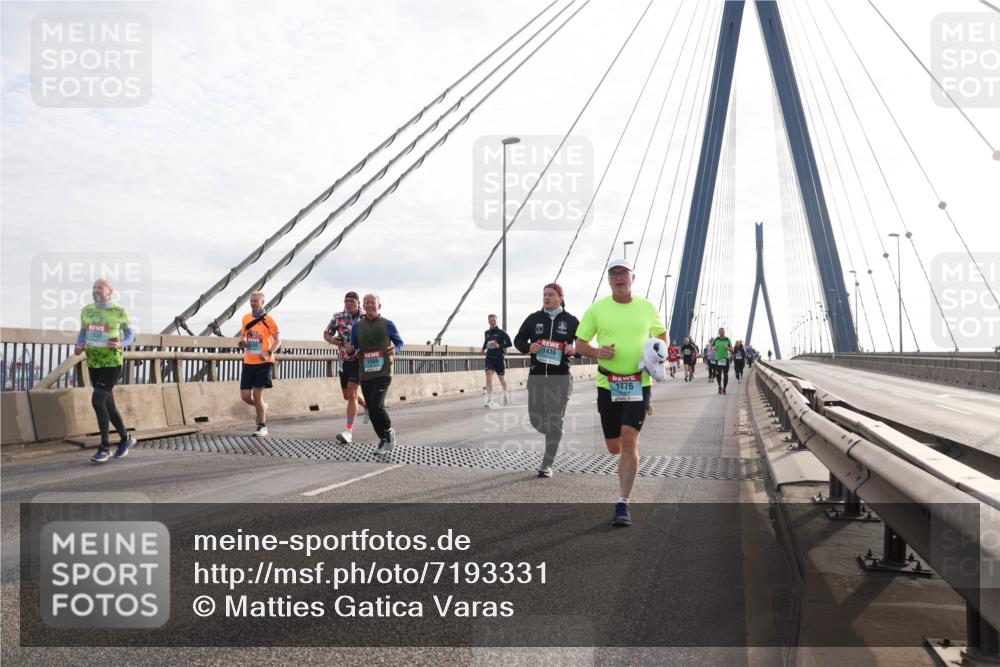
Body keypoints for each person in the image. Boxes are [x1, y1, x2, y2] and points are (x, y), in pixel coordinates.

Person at [575, 258, 667, 527]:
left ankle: (623, 503)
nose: (619, 278)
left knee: (629, 439)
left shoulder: (647, 307)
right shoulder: (597, 309)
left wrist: (658, 351)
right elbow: (580, 345)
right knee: (615, 447)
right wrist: (597, 352)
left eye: (623, 273)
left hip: (639, 382)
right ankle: (628, 451)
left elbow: (662, 335)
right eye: (614, 274)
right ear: (609, 280)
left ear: (632, 278)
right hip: (608, 384)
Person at [513, 283, 578, 478]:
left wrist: (575, 350)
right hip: (537, 377)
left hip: (561, 378)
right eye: (544, 295)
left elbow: (583, 344)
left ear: (561, 298)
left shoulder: (571, 320)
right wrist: (528, 347)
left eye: (550, 294)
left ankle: (547, 464)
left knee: (554, 419)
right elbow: (518, 340)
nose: (546, 298)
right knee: (535, 419)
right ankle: (555, 433)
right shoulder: (534, 319)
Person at [75, 279, 137, 463]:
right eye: (94, 287)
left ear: (110, 292)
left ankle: (104, 447)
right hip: (94, 362)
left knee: (97, 400)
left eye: (100, 288)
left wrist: (121, 343)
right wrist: (79, 344)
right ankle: (126, 440)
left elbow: (131, 335)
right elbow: (83, 332)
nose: (95, 290)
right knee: (108, 405)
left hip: (111, 362)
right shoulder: (87, 310)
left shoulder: (119, 311)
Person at [348, 294, 404, 455]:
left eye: (373, 303)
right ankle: (383, 438)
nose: (370, 305)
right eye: (367, 303)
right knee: (371, 410)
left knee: (376, 405)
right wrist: (351, 349)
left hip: (384, 372)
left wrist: (396, 349)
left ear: (379, 306)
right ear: (363, 306)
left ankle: (388, 431)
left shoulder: (388, 324)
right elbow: (354, 346)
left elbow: (400, 343)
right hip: (365, 372)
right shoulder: (357, 327)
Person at [324, 291, 369, 444]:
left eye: (351, 301)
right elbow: (326, 334)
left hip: (359, 360)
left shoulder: (365, 317)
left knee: (352, 395)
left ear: (358, 303)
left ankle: (348, 431)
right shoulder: (338, 317)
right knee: (347, 395)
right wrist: (333, 340)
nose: (348, 304)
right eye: (346, 301)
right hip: (343, 361)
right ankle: (366, 405)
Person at [239, 292, 281, 437]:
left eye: (256, 301)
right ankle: (262, 406)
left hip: (265, 362)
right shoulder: (246, 318)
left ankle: (262, 426)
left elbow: (278, 341)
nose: (252, 303)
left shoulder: (269, 320)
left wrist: (268, 353)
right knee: (245, 396)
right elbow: (243, 336)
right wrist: (242, 342)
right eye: (251, 301)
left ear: (262, 302)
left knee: (257, 394)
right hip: (249, 361)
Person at [482, 314, 513, 408]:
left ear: (496, 321)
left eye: (494, 320)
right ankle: (490, 399)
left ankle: (505, 393)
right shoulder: (486, 332)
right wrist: (483, 349)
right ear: (488, 322)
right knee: (488, 376)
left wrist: (499, 345)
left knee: (501, 379)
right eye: (490, 320)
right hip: (489, 358)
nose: (492, 322)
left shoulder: (502, 332)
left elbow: (509, 343)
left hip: (499, 358)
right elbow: (486, 342)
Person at [713, 327, 733, 395]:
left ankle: (724, 388)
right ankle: (719, 386)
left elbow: (732, 349)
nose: (722, 333)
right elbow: (712, 347)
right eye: (721, 332)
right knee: (718, 374)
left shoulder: (727, 339)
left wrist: (727, 348)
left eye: (723, 332)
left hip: (725, 359)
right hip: (718, 359)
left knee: (725, 374)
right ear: (719, 333)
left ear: (724, 332)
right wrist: (714, 348)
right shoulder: (716, 339)